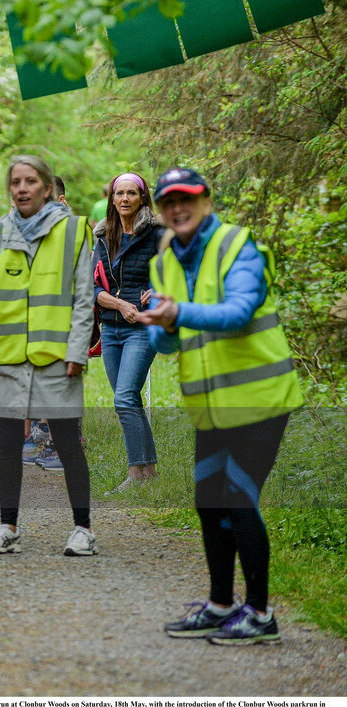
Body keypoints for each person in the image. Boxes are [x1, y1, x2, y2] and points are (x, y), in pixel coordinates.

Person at [137, 168, 303, 645]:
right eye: (168, 201)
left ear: (206, 201)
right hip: (211, 405)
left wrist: (178, 314)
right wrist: (165, 326)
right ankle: (219, 605)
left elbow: (239, 311)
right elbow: (165, 343)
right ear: (161, 209)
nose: (177, 208)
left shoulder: (237, 245)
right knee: (209, 503)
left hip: (260, 401)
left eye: (186, 199)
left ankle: (261, 614)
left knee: (238, 498)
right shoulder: (165, 261)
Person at [0, 155, 96, 556]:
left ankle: (83, 530)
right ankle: (7, 526)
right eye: (16, 182)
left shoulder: (74, 229)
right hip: (9, 355)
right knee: (10, 444)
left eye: (31, 181)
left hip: (56, 355)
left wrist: (77, 351)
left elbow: (84, 297)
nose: (22, 188)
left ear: (47, 188)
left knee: (67, 443)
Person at [92, 172, 164, 492]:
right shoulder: (103, 236)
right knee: (129, 399)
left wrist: (158, 290)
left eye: (131, 193)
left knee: (123, 399)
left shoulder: (156, 234)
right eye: (119, 193)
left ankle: (135, 474)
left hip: (143, 327)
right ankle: (149, 473)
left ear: (142, 198)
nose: (124, 199)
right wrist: (119, 305)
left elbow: (174, 271)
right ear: (112, 199)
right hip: (111, 327)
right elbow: (91, 286)